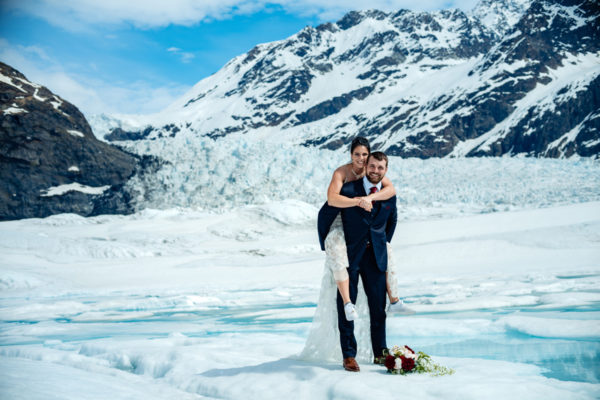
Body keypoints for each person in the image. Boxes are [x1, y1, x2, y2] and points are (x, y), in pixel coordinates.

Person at [319, 137, 413, 321]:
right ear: (351, 154)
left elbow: (391, 190)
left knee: (387, 250)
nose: (361, 158)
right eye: (357, 154)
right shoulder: (342, 172)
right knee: (336, 246)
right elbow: (332, 199)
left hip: (360, 221)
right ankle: (347, 303)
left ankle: (395, 301)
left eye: (364, 154)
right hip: (339, 218)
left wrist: (369, 199)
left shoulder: (373, 170)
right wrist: (358, 202)